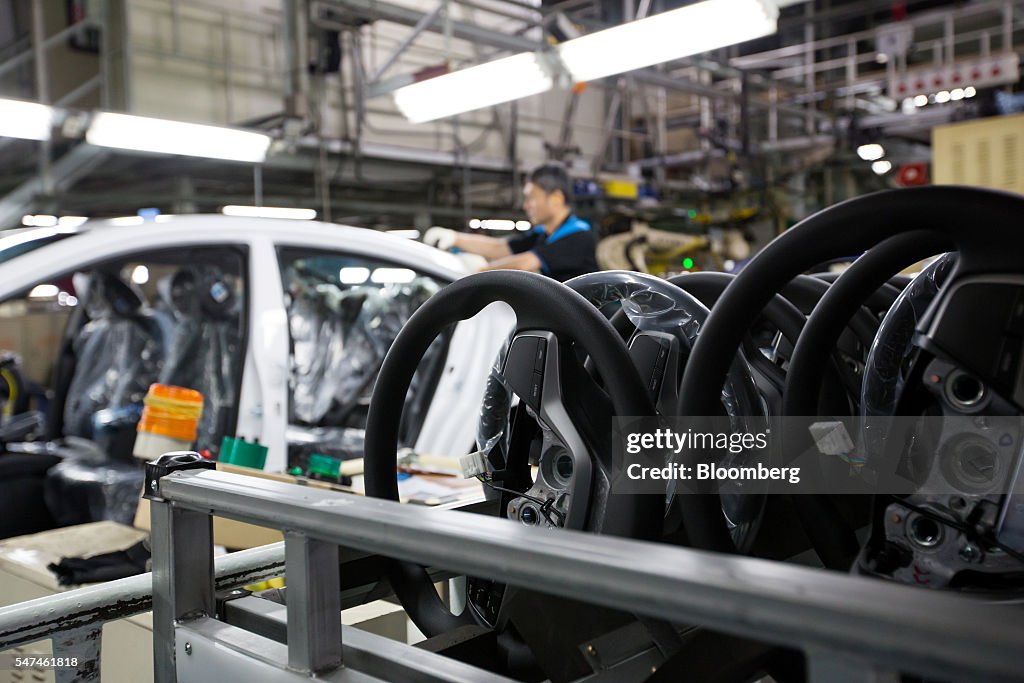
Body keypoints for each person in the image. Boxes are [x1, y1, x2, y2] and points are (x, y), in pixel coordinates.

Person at [423, 162, 598, 282]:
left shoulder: (579, 236)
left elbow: (526, 263)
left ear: (556, 198)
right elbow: (501, 247)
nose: (526, 205)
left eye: (531, 198)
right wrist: (455, 238)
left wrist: (481, 271)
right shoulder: (543, 234)